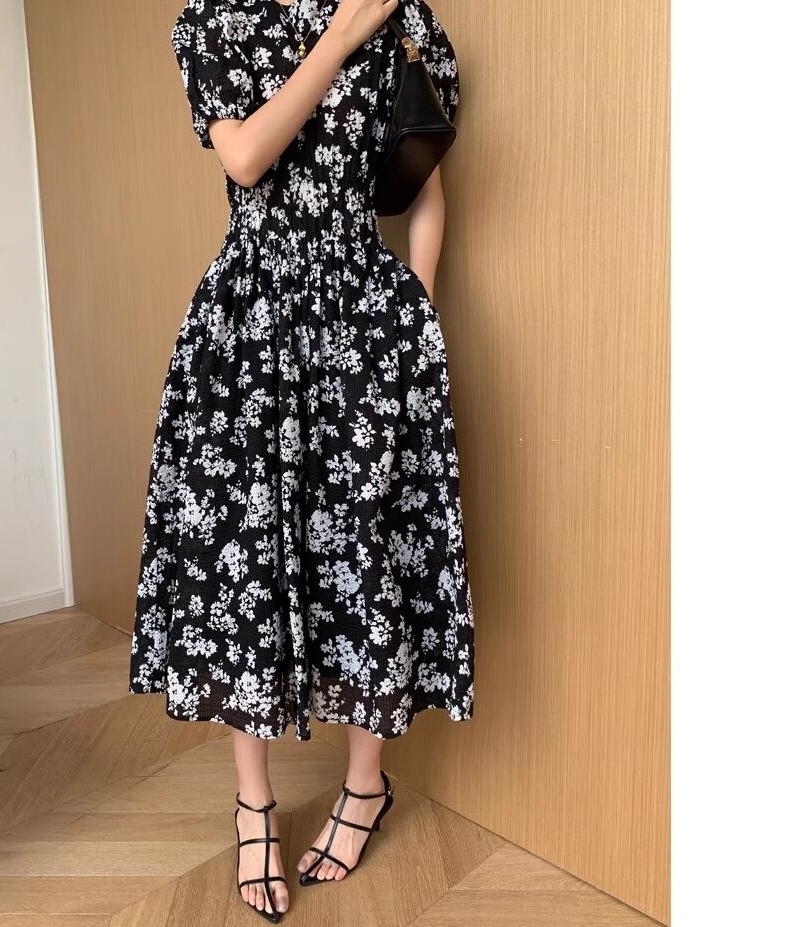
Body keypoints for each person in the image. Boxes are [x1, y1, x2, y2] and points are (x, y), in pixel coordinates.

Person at [128, 0, 475, 920]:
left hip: (367, 323)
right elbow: (245, 157)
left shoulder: (404, 19)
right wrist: (342, 36)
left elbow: (422, 181)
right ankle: (254, 805)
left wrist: (413, 322)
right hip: (248, 324)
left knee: (365, 552)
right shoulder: (212, 24)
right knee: (241, 560)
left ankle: (365, 783)